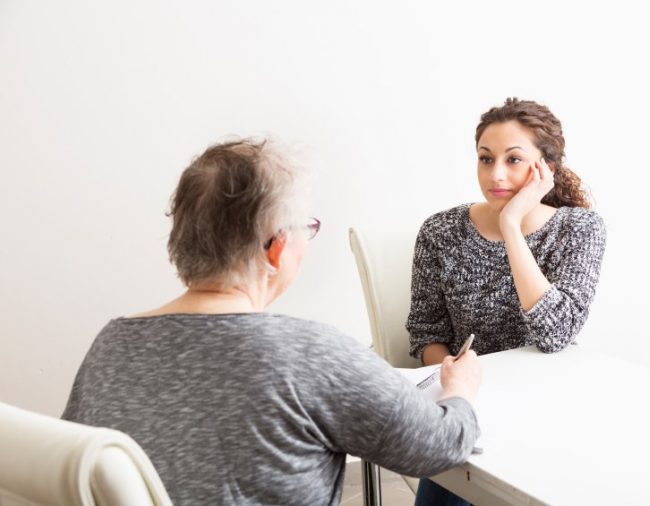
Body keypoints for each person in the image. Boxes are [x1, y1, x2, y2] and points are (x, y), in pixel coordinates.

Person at [62, 139, 482, 505]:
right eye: (305, 228)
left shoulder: (110, 344)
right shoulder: (310, 356)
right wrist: (459, 390)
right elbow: (442, 445)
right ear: (276, 249)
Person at [408, 98, 607, 505]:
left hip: (549, 407)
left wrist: (511, 226)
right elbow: (426, 332)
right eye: (485, 159)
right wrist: (458, 390)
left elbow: (556, 334)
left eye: (513, 160)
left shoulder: (579, 229)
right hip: (469, 405)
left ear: (545, 169)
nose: (495, 174)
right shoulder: (440, 231)